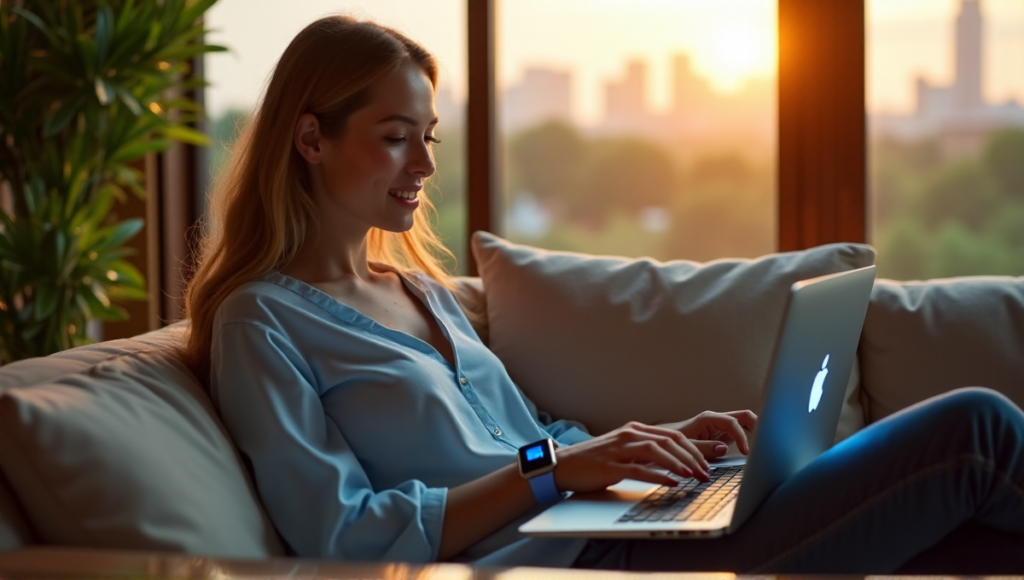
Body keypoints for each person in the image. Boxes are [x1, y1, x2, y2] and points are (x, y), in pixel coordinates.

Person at [182, 16, 1024, 573]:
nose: (427, 167)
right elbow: (341, 534)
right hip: (563, 564)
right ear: (311, 140)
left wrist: (650, 449)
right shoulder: (262, 321)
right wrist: (564, 469)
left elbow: (531, 441)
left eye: (427, 138)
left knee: (974, 529)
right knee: (973, 431)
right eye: (397, 139)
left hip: (606, 525)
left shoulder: (421, 292)